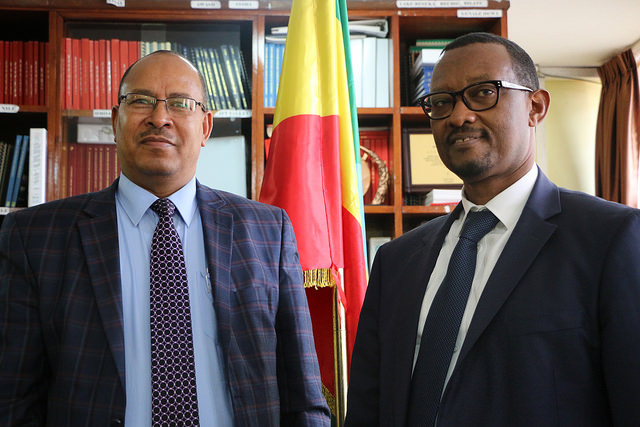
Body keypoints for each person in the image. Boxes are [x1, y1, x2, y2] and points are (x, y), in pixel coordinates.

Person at [0, 50, 330, 426]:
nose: (159, 118)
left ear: (205, 127)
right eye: (140, 101)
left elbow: (303, 397)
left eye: (180, 103)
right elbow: (13, 400)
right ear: (115, 120)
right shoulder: (36, 238)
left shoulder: (268, 232)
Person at [345, 32, 640, 427]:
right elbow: (369, 406)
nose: (459, 116)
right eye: (442, 102)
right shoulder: (397, 260)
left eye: (484, 93)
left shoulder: (611, 238)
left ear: (536, 106)